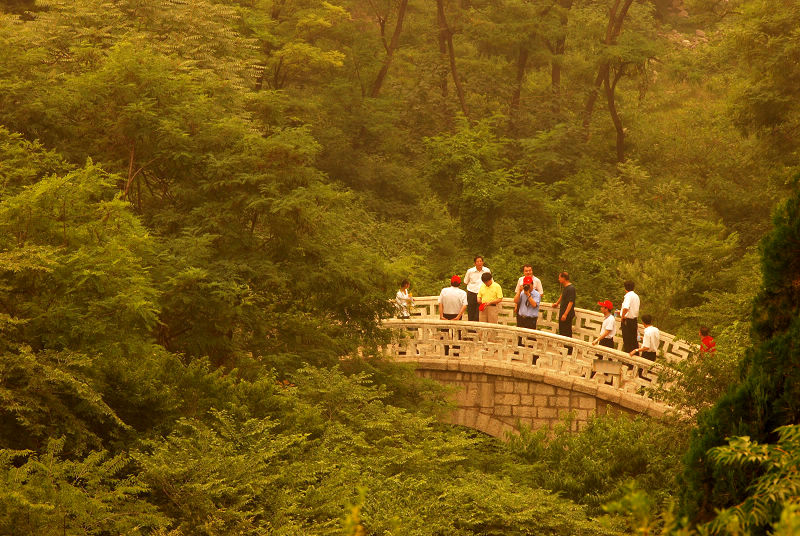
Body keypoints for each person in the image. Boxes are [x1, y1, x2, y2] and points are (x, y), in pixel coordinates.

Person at [463, 256, 491, 321]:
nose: (479, 263)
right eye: (477, 261)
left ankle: (477, 330)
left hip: (482, 294)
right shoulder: (470, 271)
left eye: (480, 261)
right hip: (472, 293)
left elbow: (490, 281)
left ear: (483, 262)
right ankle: (470, 329)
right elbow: (465, 282)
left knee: (479, 313)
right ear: (474, 263)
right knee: (471, 311)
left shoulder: (487, 270)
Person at [552, 271, 576, 337]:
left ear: (563, 278)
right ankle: (563, 346)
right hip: (562, 312)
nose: (559, 279)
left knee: (567, 332)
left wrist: (565, 314)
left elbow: (571, 302)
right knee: (562, 331)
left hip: (567, 315)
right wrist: (557, 303)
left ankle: (568, 347)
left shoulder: (571, 288)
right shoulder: (566, 287)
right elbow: (562, 295)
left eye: (559, 278)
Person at [620, 280, 640, 353]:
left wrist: (622, 316)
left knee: (627, 341)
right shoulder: (636, 296)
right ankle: (635, 358)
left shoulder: (628, 296)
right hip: (634, 320)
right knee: (634, 341)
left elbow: (626, 308)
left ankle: (628, 361)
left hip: (627, 321)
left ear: (625, 288)